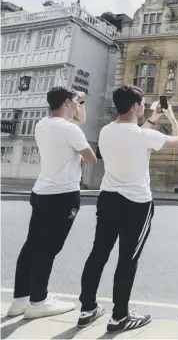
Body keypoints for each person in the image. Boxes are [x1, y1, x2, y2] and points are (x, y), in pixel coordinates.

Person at [77, 85, 178, 332]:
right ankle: (119, 317)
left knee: (98, 255)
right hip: (136, 204)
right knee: (127, 260)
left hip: (108, 199)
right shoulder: (142, 136)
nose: (145, 107)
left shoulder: (106, 131)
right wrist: (170, 117)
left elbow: (135, 136)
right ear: (136, 106)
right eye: (143, 104)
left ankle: (87, 310)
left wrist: (151, 119)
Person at [7, 87, 97, 319]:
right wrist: (76, 152)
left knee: (31, 246)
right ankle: (39, 301)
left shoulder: (42, 124)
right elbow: (91, 159)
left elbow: (80, 121)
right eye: (75, 102)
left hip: (41, 191)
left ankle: (20, 301)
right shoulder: (69, 129)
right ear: (67, 103)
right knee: (48, 249)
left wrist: (80, 102)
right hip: (63, 194)